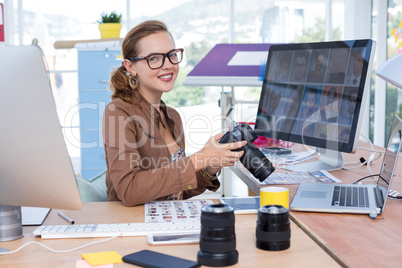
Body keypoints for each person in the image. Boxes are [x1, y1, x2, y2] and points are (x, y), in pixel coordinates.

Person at [102, 20, 246, 206]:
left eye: (171, 55)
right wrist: (200, 158)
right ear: (131, 67)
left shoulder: (172, 117)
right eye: (154, 58)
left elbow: (176, 190)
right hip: (134, 225)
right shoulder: (118, 112)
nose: (168, 65)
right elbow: (129, 190)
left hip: (165, 221)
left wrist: (210, 166)